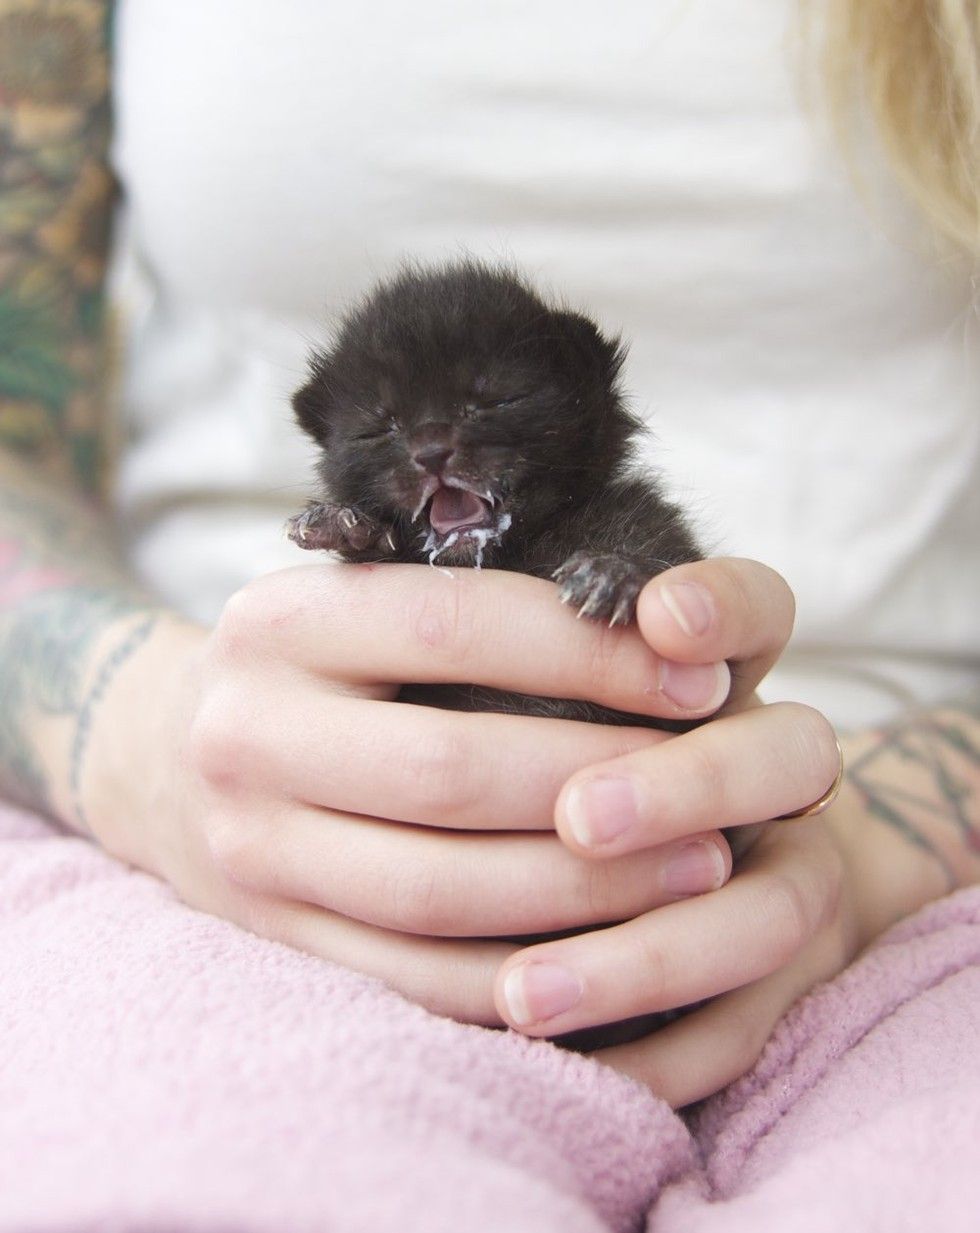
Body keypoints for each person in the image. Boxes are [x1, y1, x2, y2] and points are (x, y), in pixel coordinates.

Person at [0, 0, 977, 1142]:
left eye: (484, 407)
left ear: (586, 393)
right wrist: (140, 734)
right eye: (386, 427)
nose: (429, 446)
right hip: (207, 848)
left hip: (875, 881)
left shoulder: (616, 519)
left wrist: (865, 847)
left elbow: (640, 564)